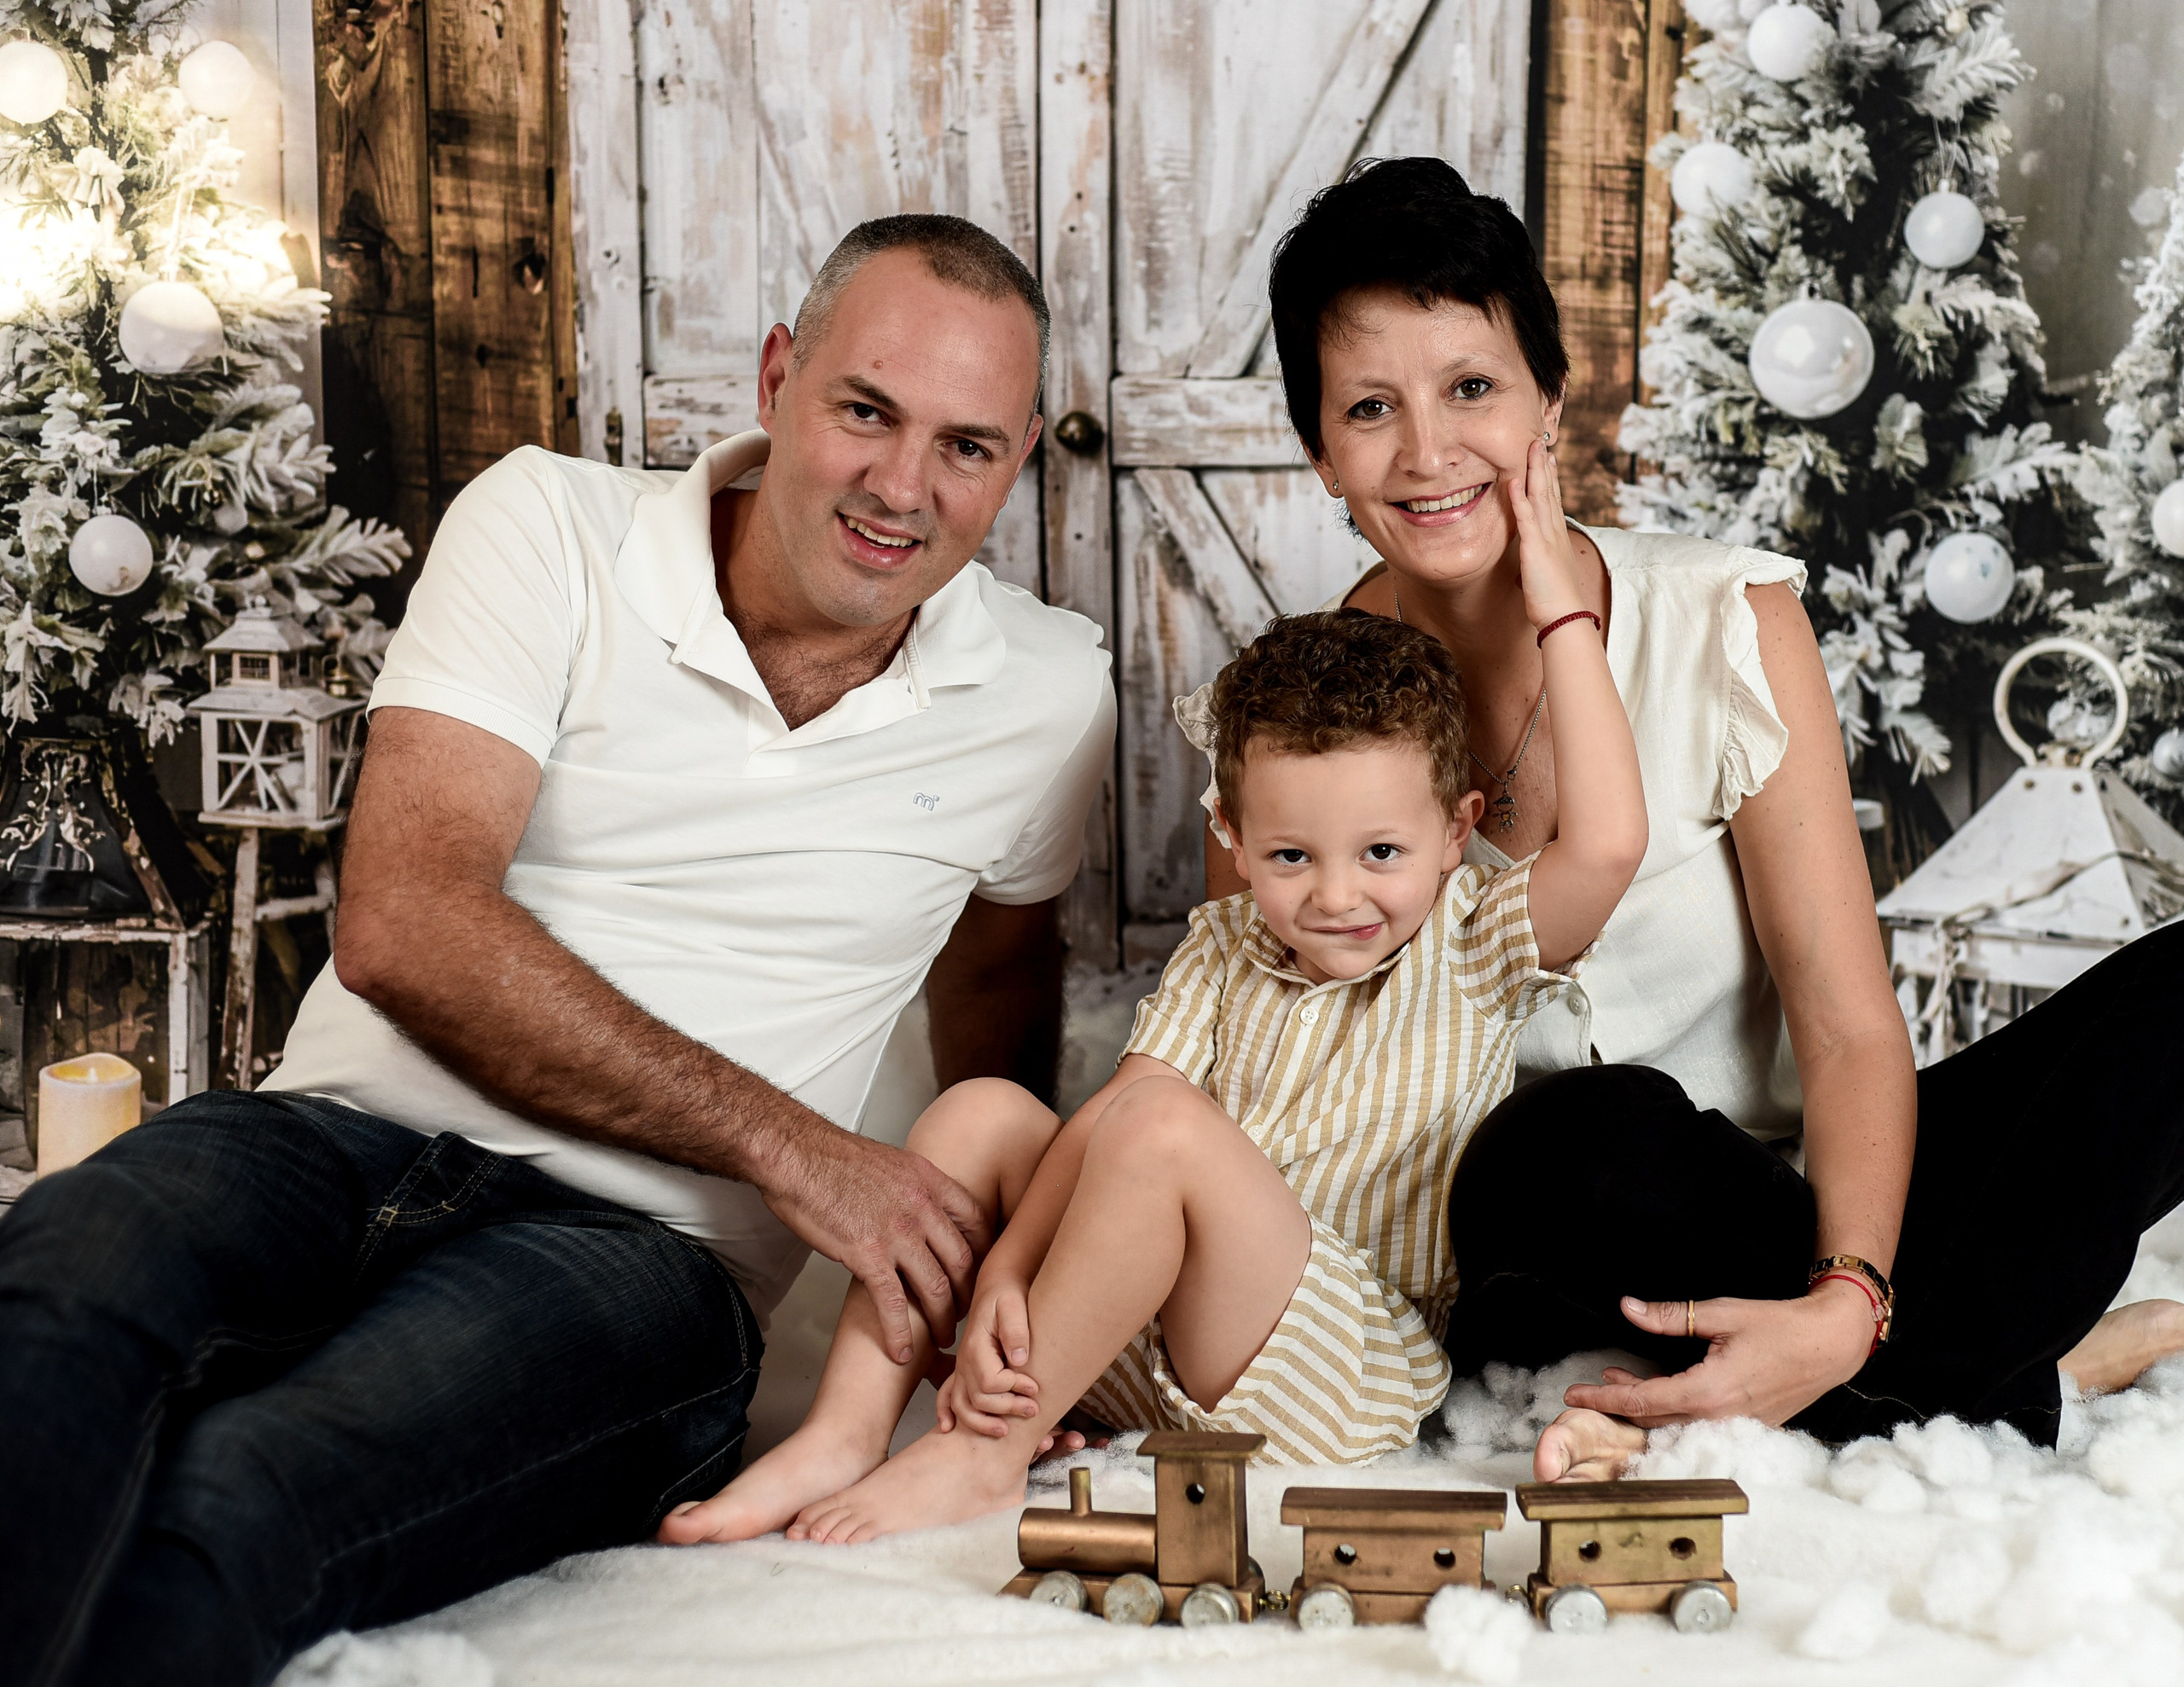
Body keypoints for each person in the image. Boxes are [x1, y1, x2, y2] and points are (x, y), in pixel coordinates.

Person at [0, 214, 1115, 1687]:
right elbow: (406, 925)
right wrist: (800, 1151)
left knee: (248, 1485)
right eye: (866, 409)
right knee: (56, 1295)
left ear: (1020, 457)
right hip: (325, 1136)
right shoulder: (552, 525)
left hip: (643, 1263)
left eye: (966, 446)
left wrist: (1006, 1288)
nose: (904, 487)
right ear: (778, 377)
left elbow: (999, 985)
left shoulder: (1047, 689)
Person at [1194, 154, 2184, 1480]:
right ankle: (2013, 1369)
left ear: (1551, 399)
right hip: (1554, 1239)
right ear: (1322, 453)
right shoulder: (1285, 722)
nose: (1428, 452)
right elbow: (1262, 1086)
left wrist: (1846, 1295)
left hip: (1822, 1198)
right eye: (1371, 407)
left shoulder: (1725, 620)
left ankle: (1868, 1362)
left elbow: (1847, 1024)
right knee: (1578, 1130)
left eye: (1472, 387)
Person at [664, 527, 1649, 1544]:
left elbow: (1611, 841)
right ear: (1234, 838)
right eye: (1292, 855)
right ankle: (842, 1432)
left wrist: (1559, 613)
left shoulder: (1475, 939)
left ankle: (984, 1456)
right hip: (1145, 1341)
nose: (1337, 895)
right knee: (979, 1114)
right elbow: (1109, 1116)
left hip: (1335, 1378)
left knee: (1164, 1125)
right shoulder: (1226, 943)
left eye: (1382, 852)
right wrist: (1006, 1273)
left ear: (1455, 831)